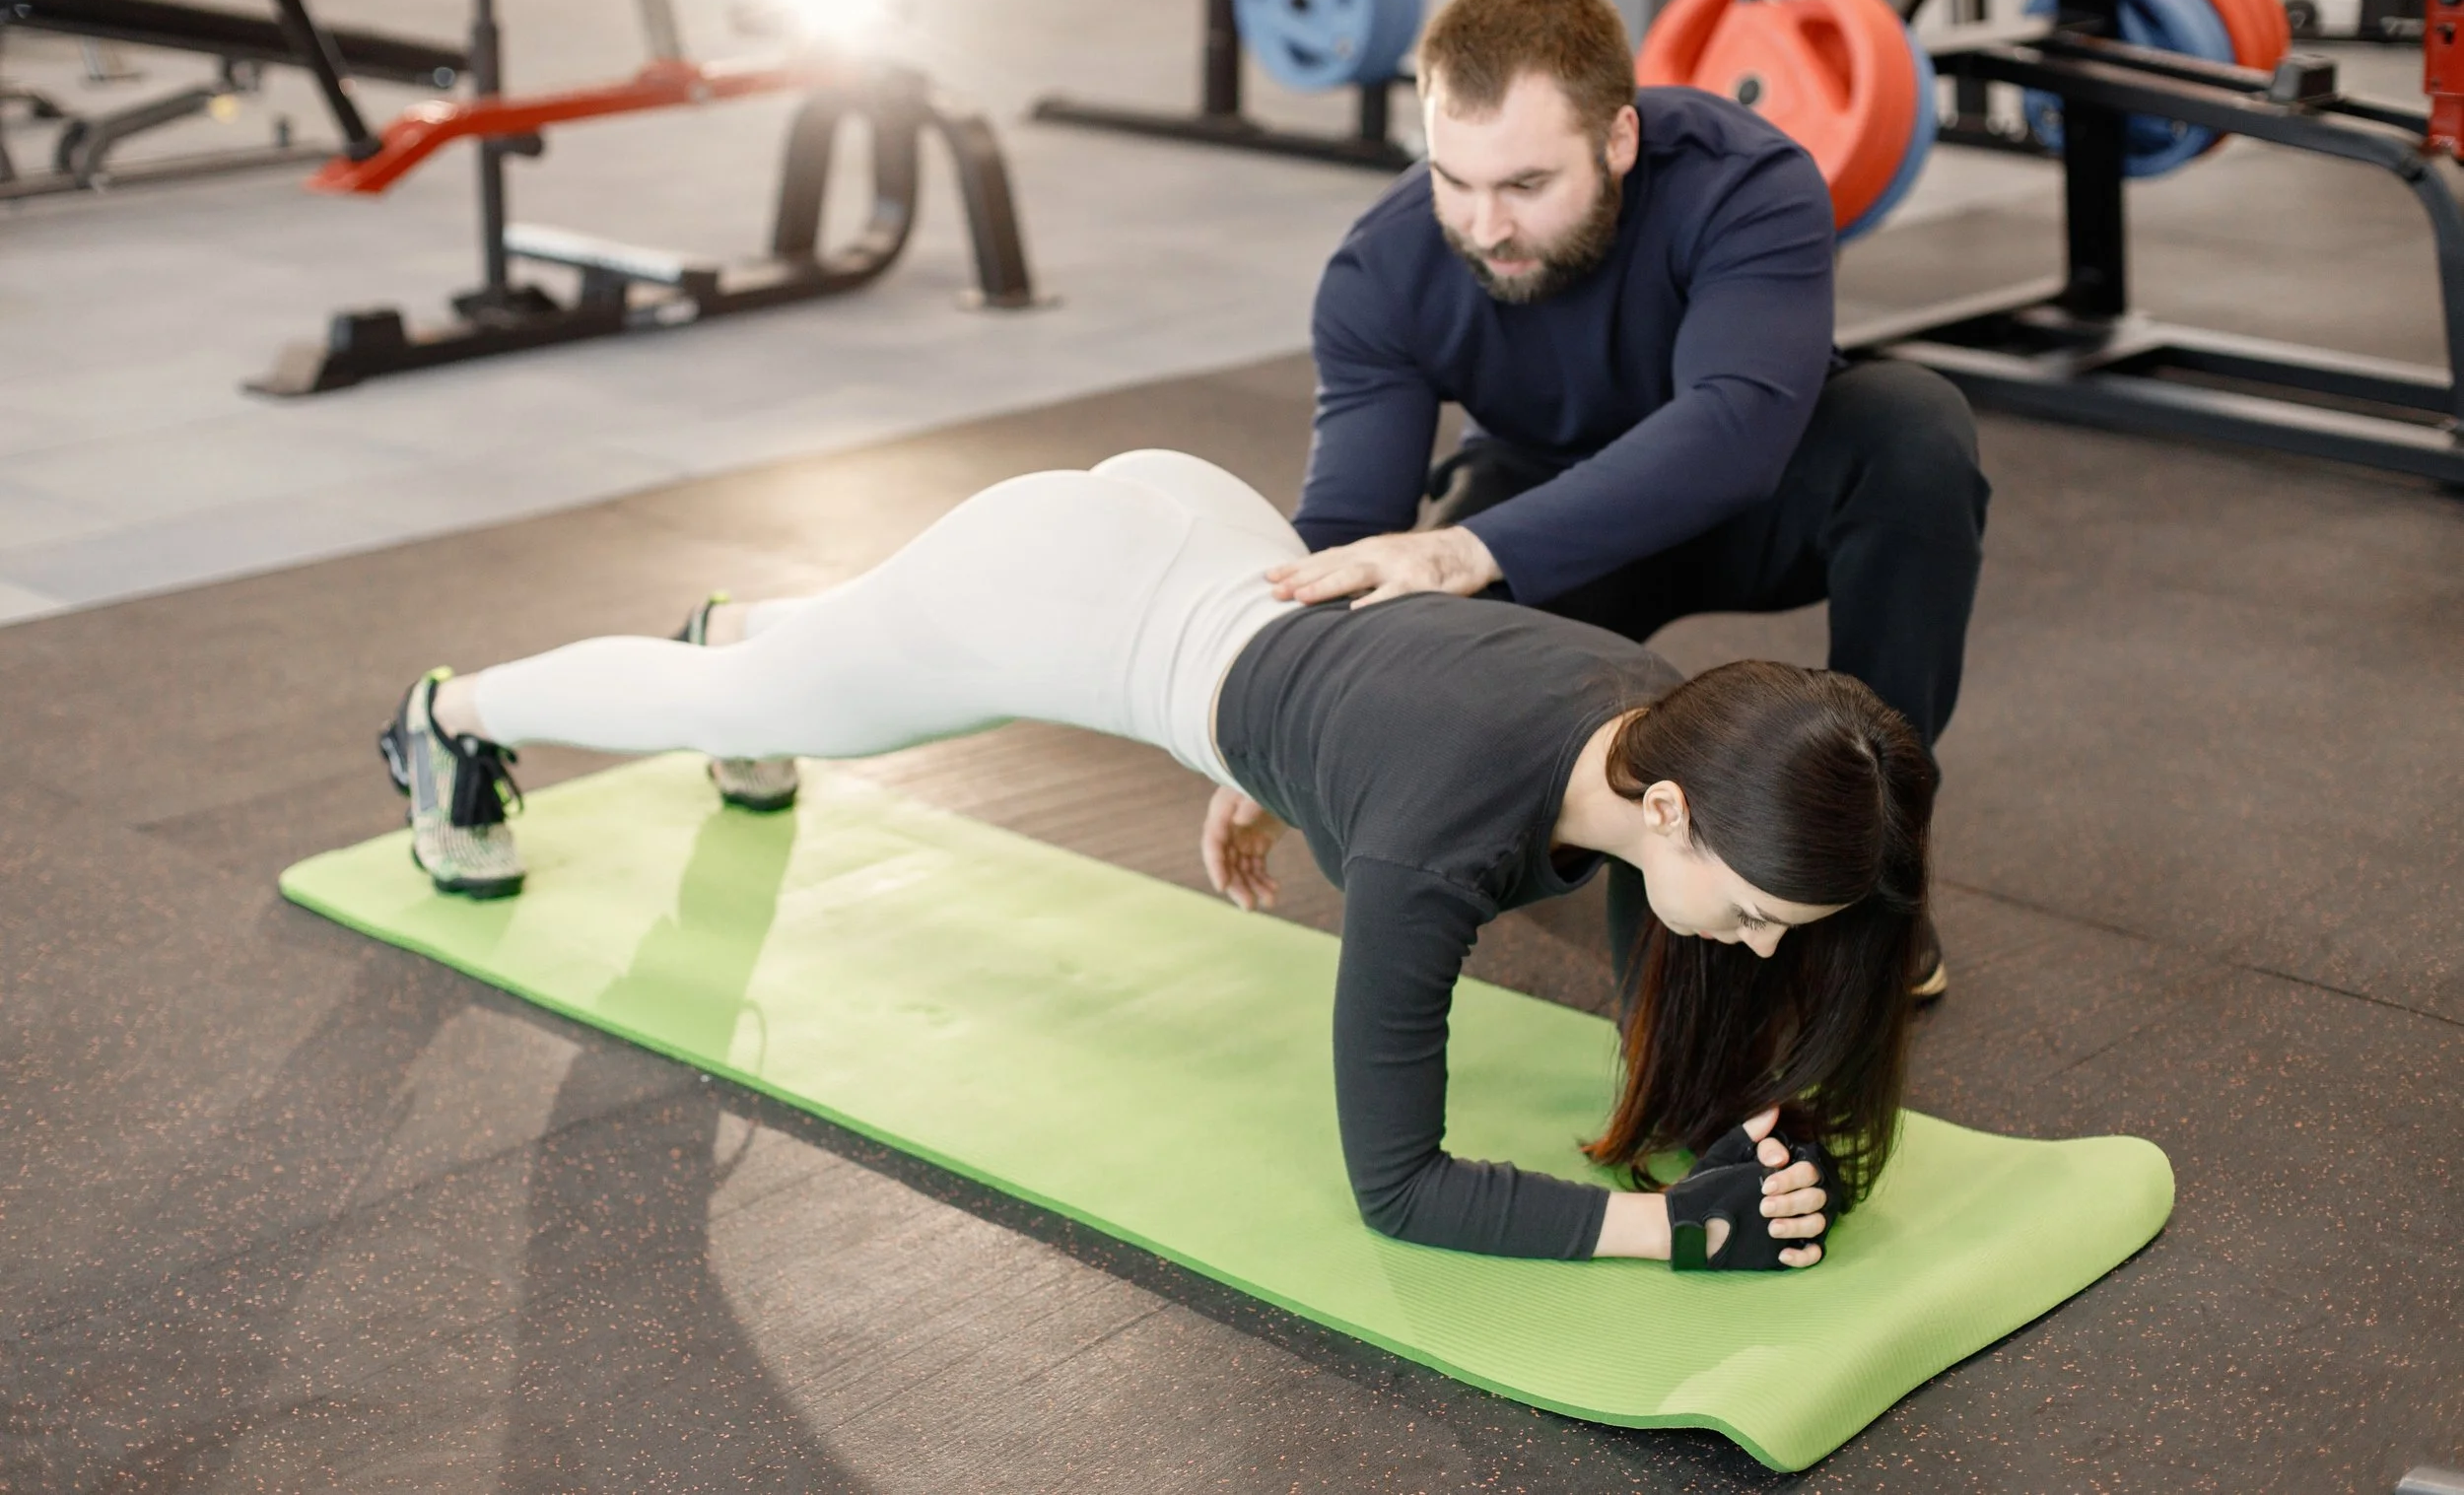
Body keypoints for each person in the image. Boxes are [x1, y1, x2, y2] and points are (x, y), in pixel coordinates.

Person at [377, 450, 1934, 1270]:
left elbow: (1420, 731)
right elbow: (1398, 1188)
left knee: (841, 654)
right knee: (748, 706)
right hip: (1066, 597)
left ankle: (770, 643)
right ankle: (449, 715)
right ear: (1672, 815)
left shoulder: (1660, 714)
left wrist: (1743, 1135)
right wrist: (1668, 1228)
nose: (1752, 944)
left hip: (1210, 538)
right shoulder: (1436, 845)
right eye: (1751, 913)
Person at [1269, 0, 1988, 1001]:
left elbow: (1736, 429)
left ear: (1618, 138)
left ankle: (1871, 871)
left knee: (1914, 429)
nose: (1484, 226)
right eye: (1452, 179)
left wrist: (1465, 548)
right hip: (1543, 508)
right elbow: (1344, 528)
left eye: (1524, 184)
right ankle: (1570, 837)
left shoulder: (1747, 178)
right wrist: (1262, 718)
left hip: (1757, 494)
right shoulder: (1381, 271)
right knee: (1406, 628)